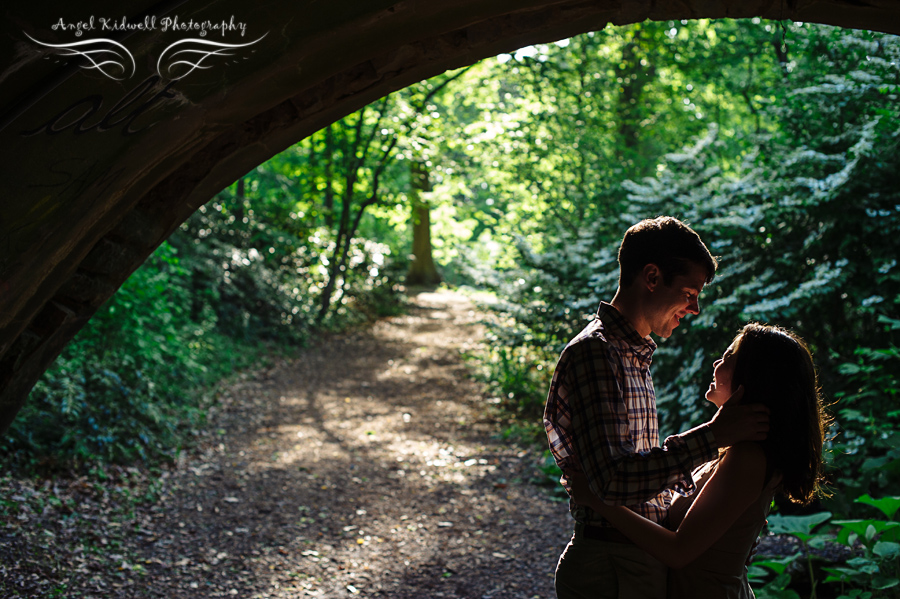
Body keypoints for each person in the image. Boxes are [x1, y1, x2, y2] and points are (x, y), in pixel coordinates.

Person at [544, 216, 770, 599]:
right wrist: (713, 436)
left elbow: (622, 478)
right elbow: (613, 482)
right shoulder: (598, 354)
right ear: (651, 277)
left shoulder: (632, 354)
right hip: (612, 565)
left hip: (631, 558)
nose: (695, 308)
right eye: (689, 292)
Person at [571, 323, 829, 598]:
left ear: (752, 378)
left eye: (728, 358)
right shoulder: (735, 451)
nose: (717, 362)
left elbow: (678, 551)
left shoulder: (749, 457)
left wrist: (599, 500)